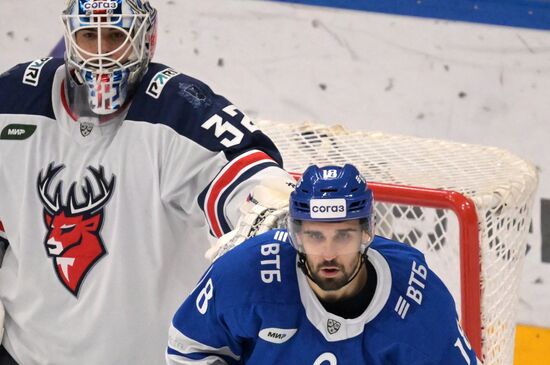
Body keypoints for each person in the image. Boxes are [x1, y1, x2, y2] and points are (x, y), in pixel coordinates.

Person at [0, 0, 294, 364]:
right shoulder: (13, 100)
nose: (101, 54)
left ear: (145, 38)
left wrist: (268, 207)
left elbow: (250, 178)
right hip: (25, 354)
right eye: (89, 35)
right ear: (70, 37)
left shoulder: (180, 109)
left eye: (116, 35)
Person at [167, 164, 482, 365]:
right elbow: (189, 348)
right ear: (296, 235)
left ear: (366, 232)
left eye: (343, 236)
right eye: (316, 236)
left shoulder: (419, 304)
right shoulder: (248, 273)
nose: (329, 253)